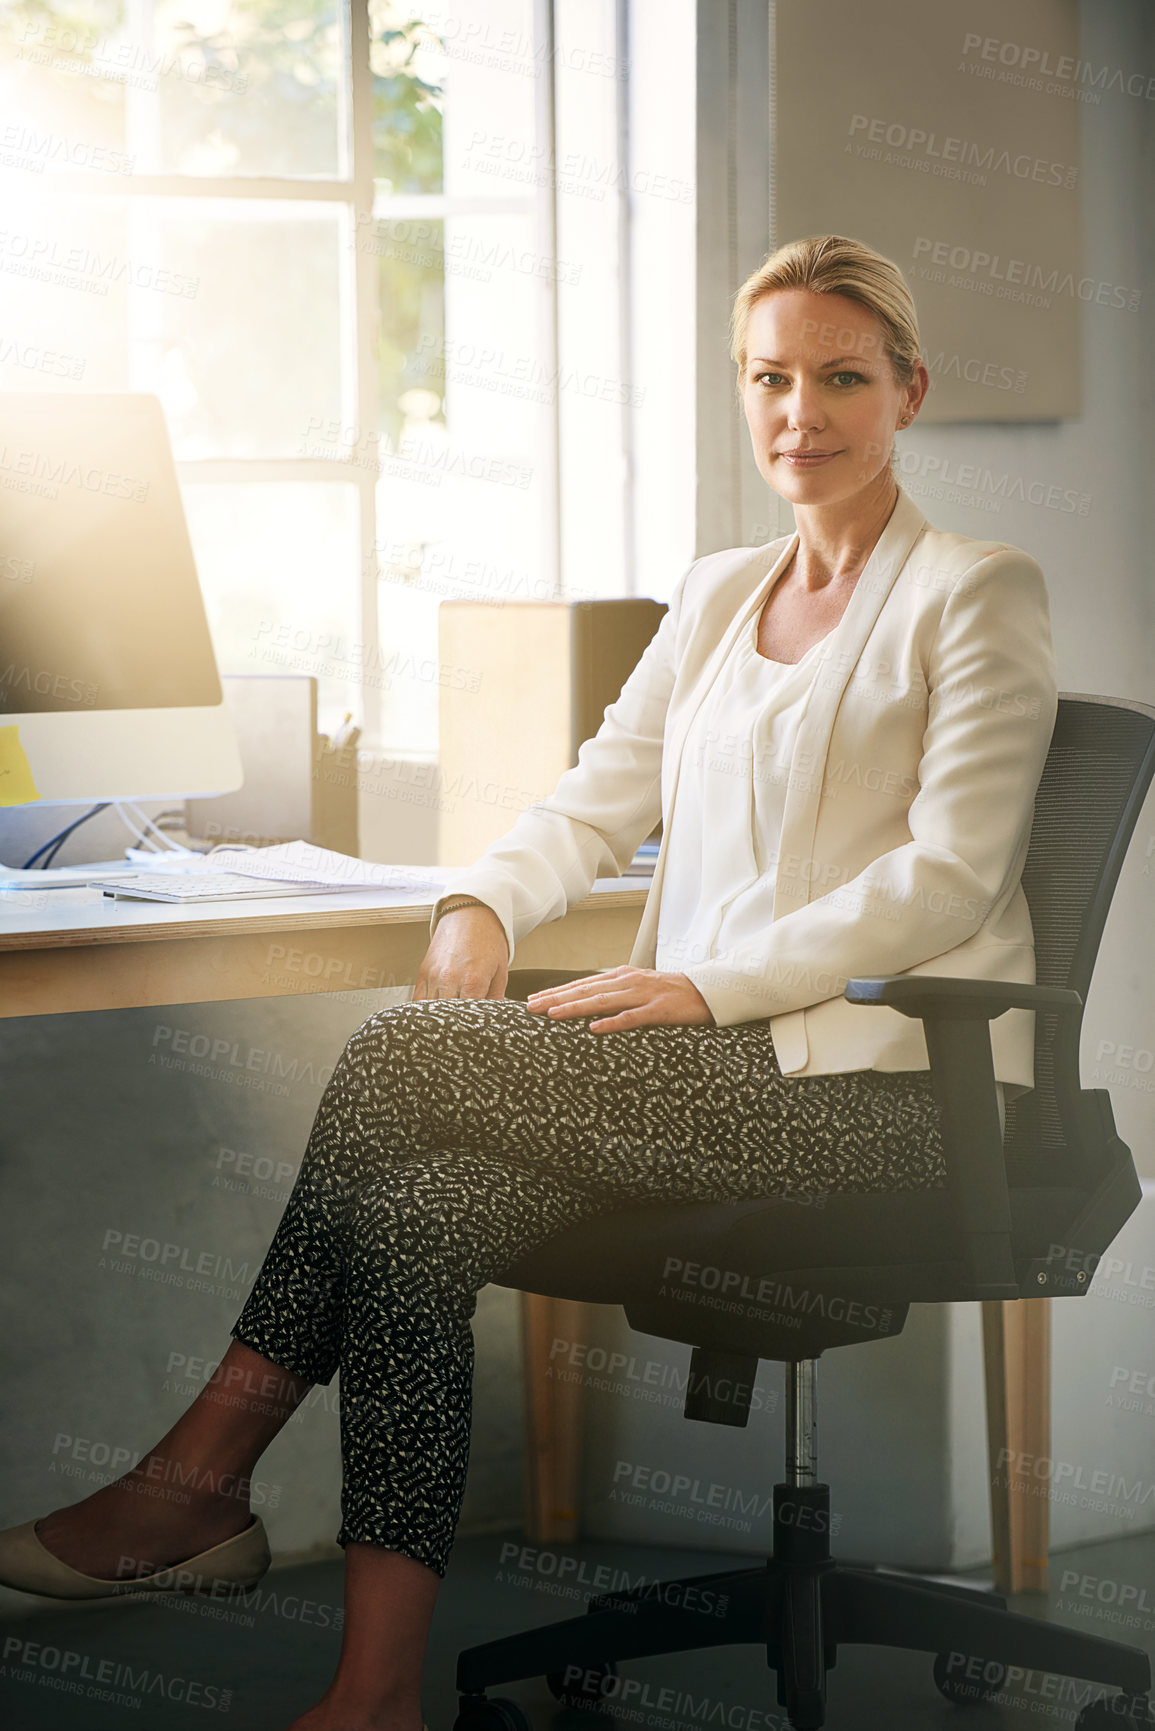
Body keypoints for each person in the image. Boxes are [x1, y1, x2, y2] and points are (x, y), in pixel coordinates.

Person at [0, 234, 1057, 1731]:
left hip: (880, 1103)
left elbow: (945, 876)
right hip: (706, 1088)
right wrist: (482, 901)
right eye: (770, 378)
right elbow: (594, 796)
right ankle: (372, 1695)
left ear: (907, 392)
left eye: (840, 377)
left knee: (398, 1060)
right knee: (418, 1214)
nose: (800, 412)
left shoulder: (975, 592)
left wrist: (705, 987)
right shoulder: (714, 596)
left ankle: (195, 1481)